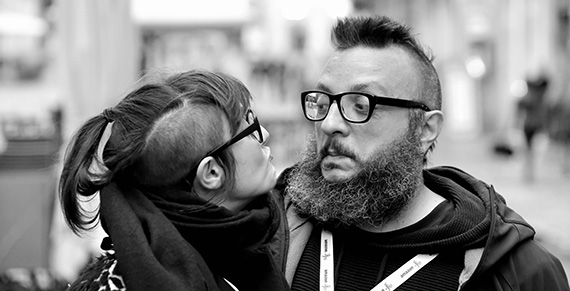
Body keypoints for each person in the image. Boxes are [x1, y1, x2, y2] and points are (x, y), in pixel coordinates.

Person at [272, 15, 570, 291]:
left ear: (425, 130)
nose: (328, 124)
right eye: (323, 103)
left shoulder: (518, 272)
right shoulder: (275, 232)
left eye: (360, 105)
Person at [58, 69, 290, 291]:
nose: (265, 135)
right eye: (248, 130)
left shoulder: (239, 251)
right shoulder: (120, 283)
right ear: (211, 173)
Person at [516, 74, 550, 182]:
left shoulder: (532, 96)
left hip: (534, 125)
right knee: (530, 150)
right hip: (532, 126)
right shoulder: (538, 96)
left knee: (531, 150)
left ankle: (530, 172)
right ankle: (529, 173)